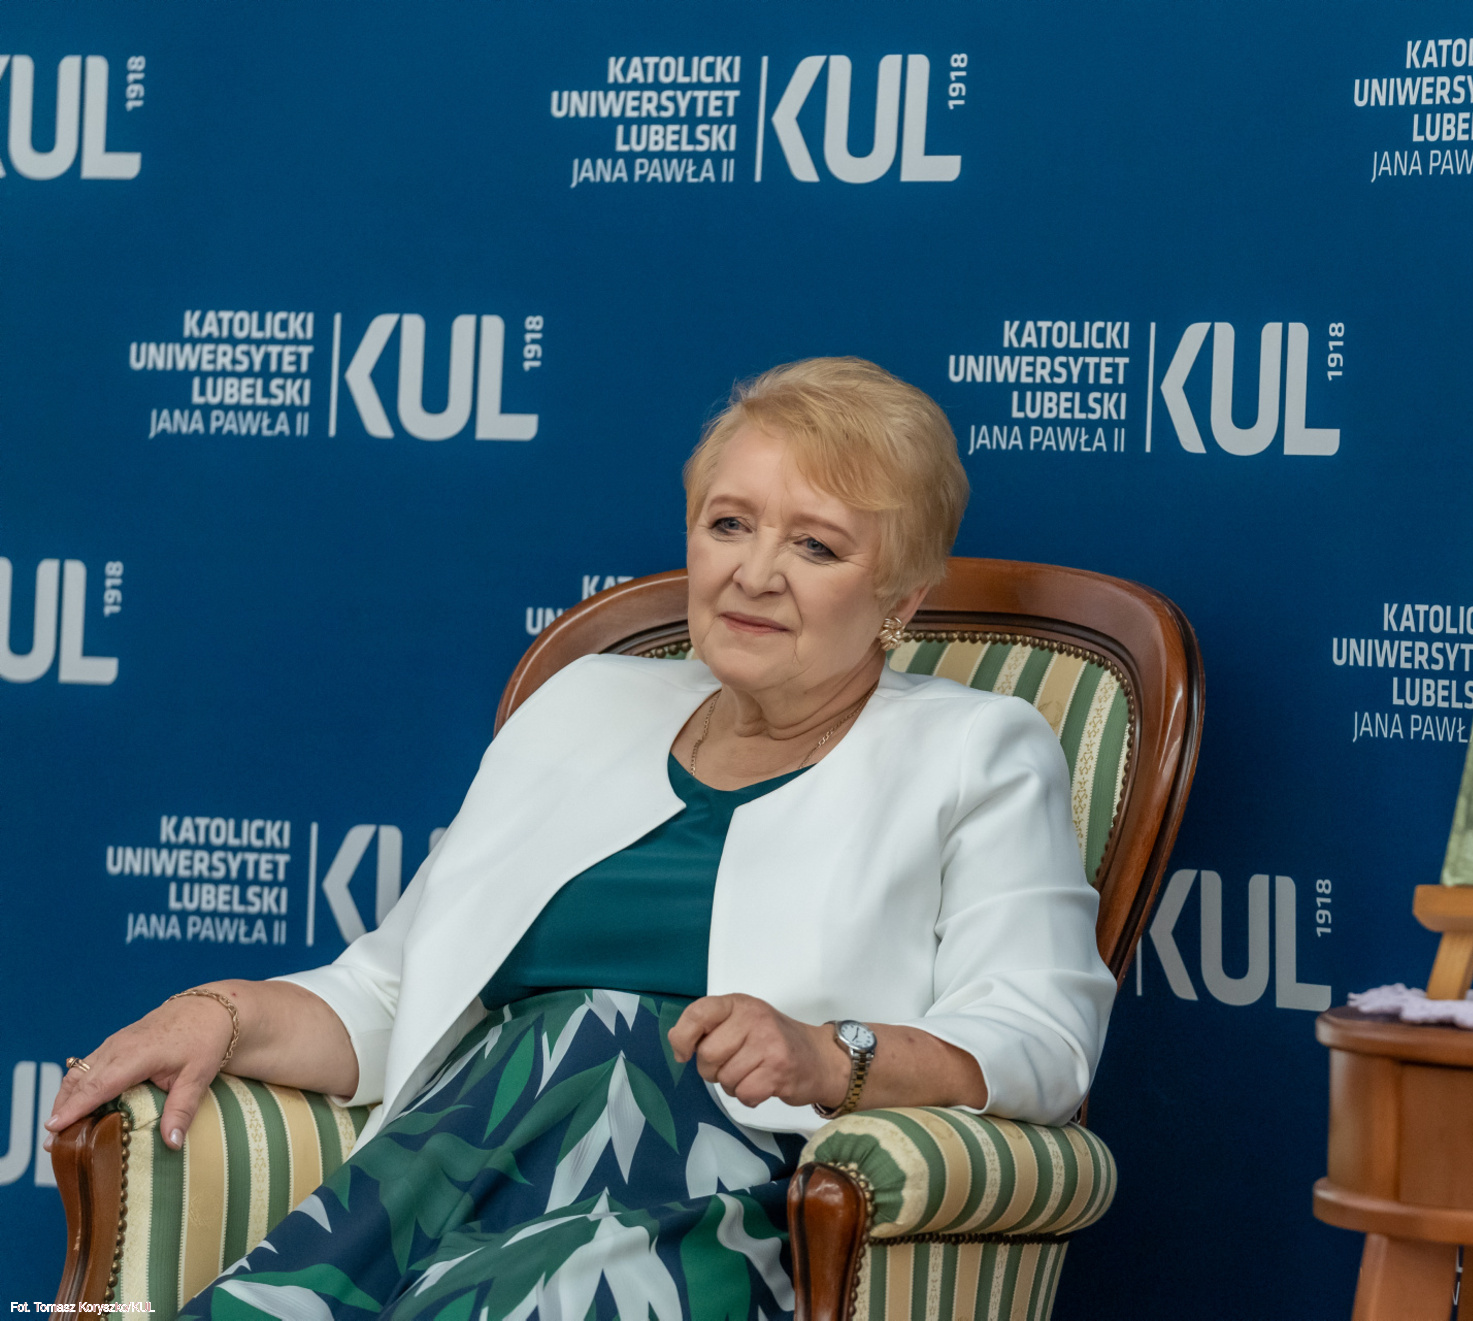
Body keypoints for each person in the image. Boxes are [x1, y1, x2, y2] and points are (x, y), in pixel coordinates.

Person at [45, 357, 1115, 1321]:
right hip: (454, 1158)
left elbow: (1043, 1040)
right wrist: (222, 1012)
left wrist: (828, 1054)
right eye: (729, 524)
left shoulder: (976, 750)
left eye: (816, 544)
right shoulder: (585, 701)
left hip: (701, 1193)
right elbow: (390, 994)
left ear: (900, 596)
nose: (754, 572)